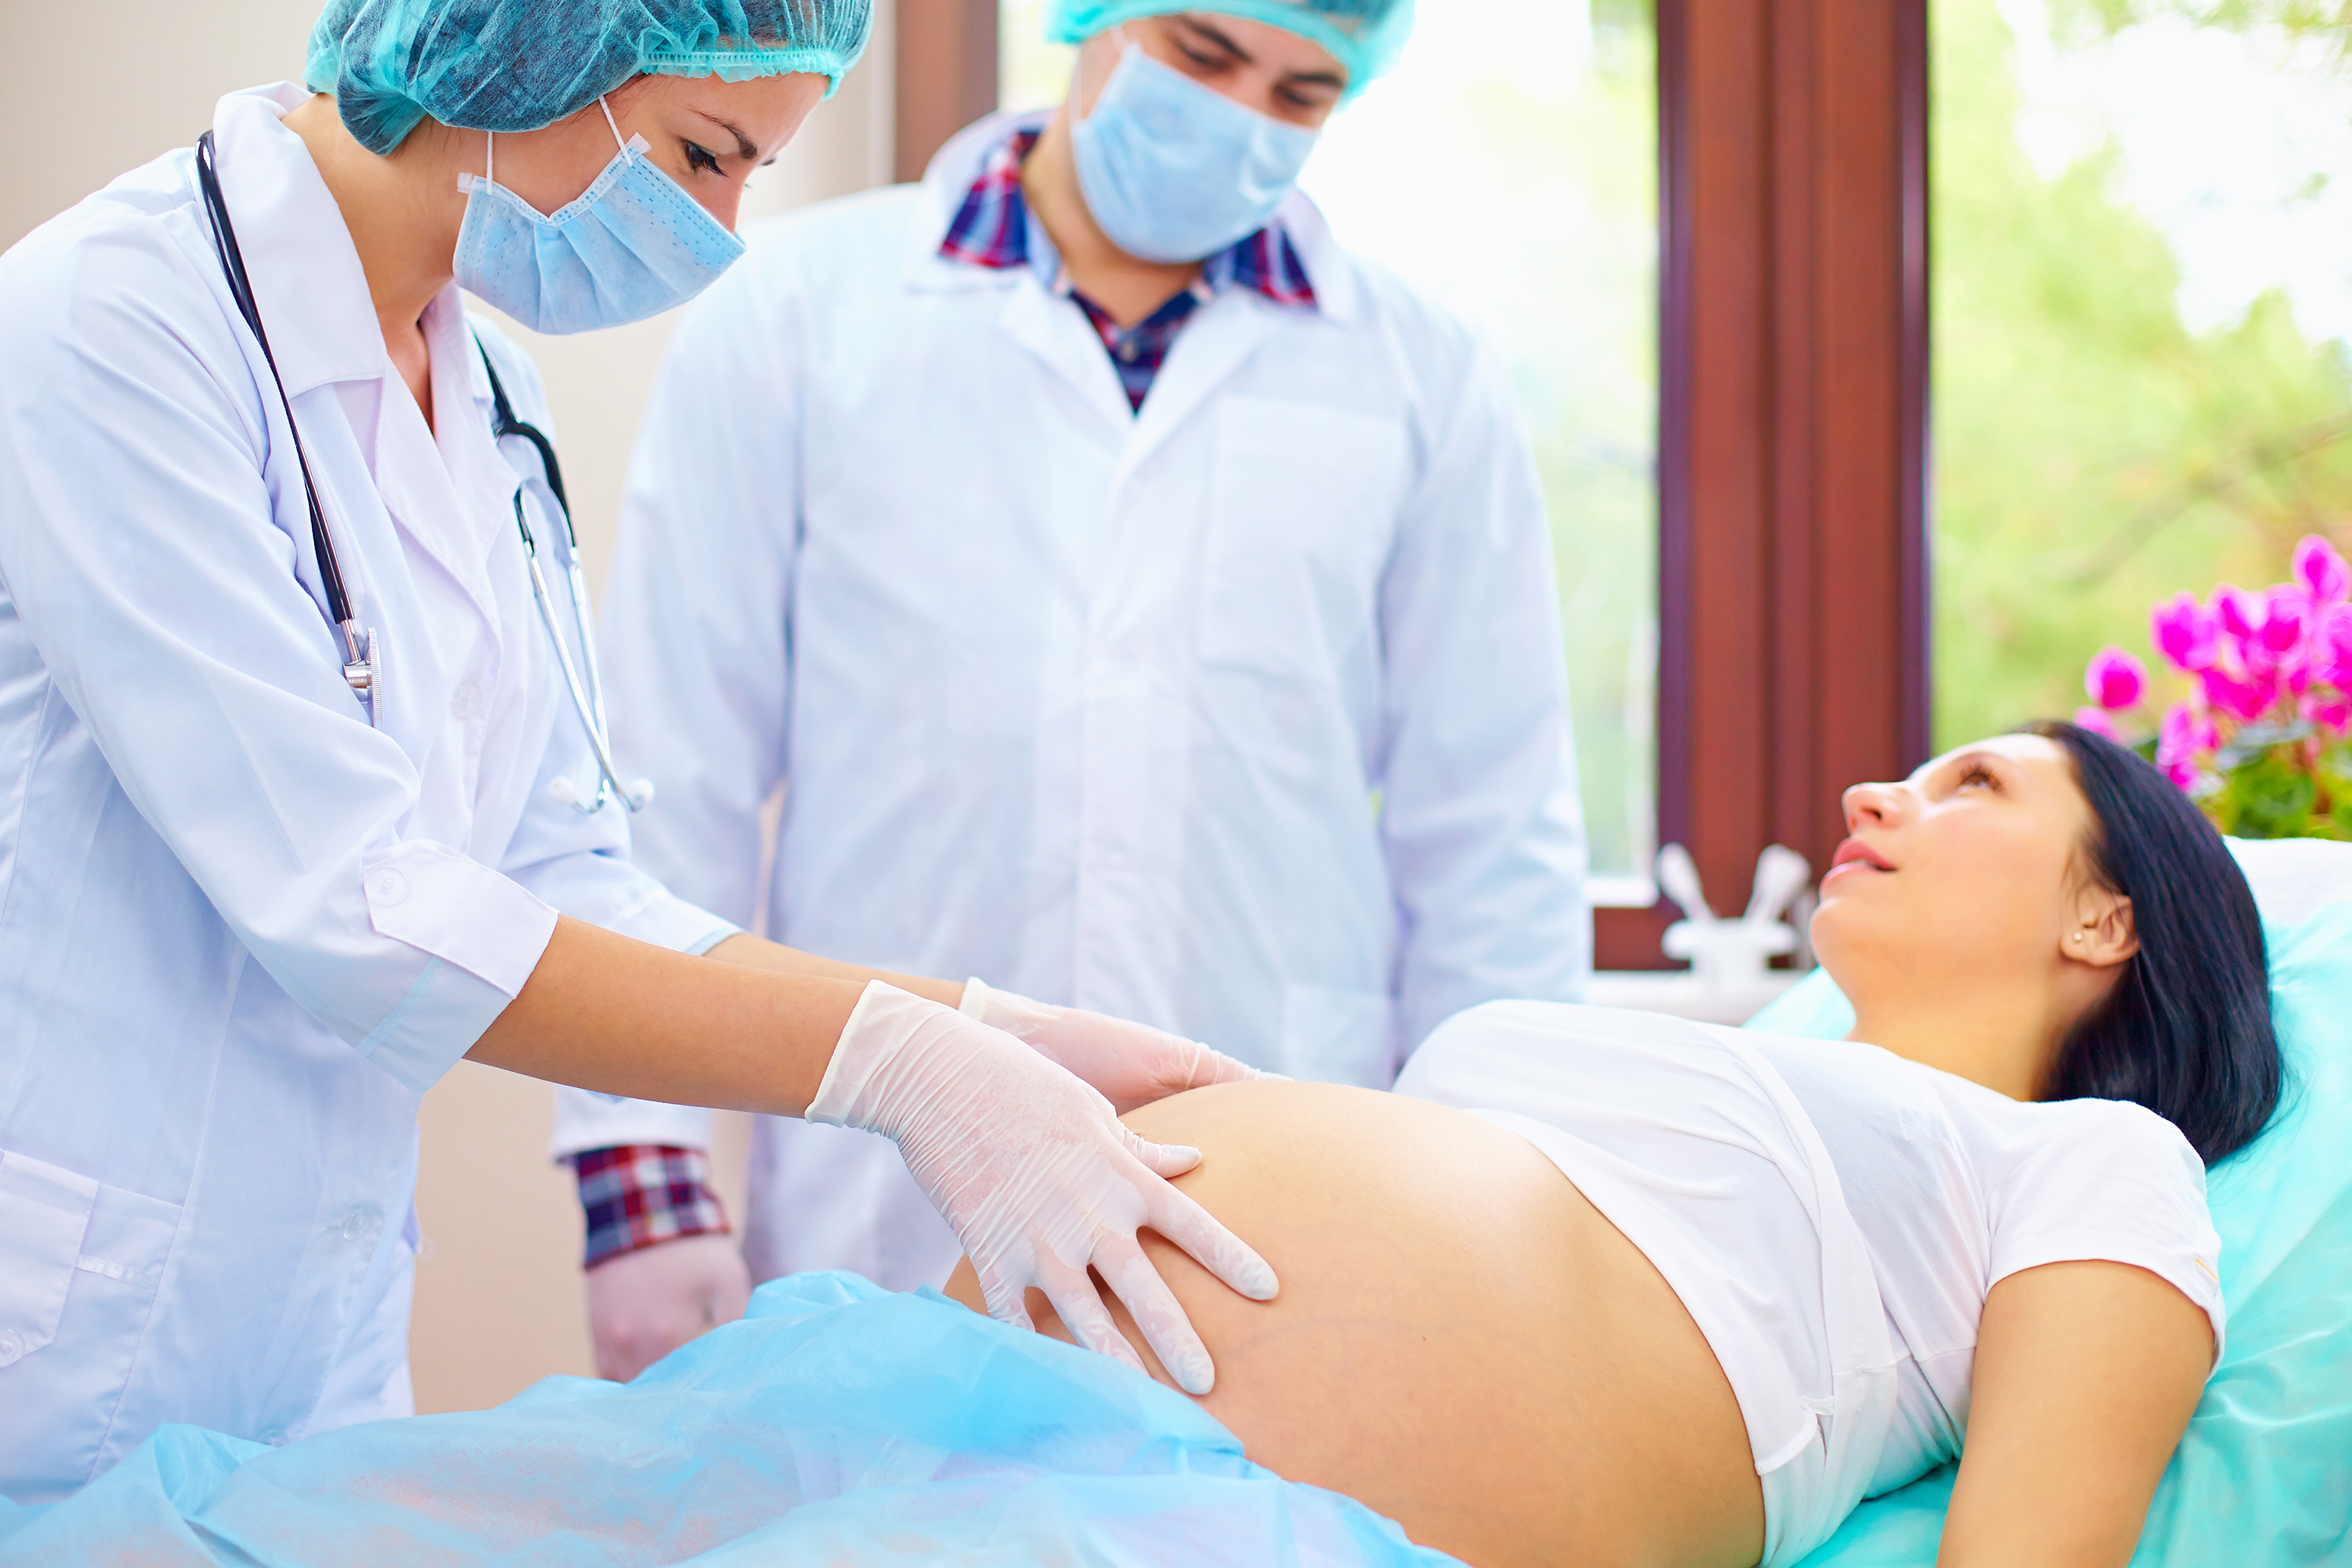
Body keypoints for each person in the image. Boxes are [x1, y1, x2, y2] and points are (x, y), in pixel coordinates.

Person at [0, 0, 1284, 1504]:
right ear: (523, 52)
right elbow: (364, 911)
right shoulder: (112, 321)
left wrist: (983, 1024)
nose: (725, 230)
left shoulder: (492, 394)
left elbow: (565, 874)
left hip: (313, 1325)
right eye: (702, 152)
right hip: (75, 1321)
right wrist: (898, 1071)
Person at [552, 0, 1592, 1380]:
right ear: (1093, 20)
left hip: (1283, 1195)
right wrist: (641, 1171)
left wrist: (1504, 1207)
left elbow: (1491, 836)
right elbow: (665, 765)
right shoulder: (800, 310)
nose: (1239, 114)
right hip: (887, 1201)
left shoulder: (1421, 375)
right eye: (1204, 54)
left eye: (1301, 89)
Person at [942, 722, 2282, 1567]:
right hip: (974, 1445)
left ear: (2104, 921)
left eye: (1973, 784)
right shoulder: (1749, 1067)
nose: (1875, 794)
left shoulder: (2098, 1158)